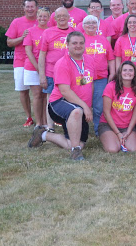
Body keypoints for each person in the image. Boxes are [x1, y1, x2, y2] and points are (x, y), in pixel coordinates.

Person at [31, 31, 93, 161]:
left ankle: (43, 135)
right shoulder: (62, 63)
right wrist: (85, 107)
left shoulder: (90, 60)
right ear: (67, 45)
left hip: (78, 106)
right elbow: (65, 91)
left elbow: (89, 83)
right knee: (77, 111)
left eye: (81, 43)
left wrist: (88, 105)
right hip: (59, 103)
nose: (78, 45)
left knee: (78, 143)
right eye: (74, 43)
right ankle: (75, 152)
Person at [37, 7, 73, 135]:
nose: (61, 18)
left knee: (69, 99)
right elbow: (42, 55)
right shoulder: (48, 32)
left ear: (69, 17)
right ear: (55, 18)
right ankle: (50, 126)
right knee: (51, 99)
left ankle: (69, 124)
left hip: (70, 73)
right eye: (59, 16)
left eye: (64, 15)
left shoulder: (75, 32)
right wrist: (42, 76)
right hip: (52, 72)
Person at [80, 15, 115, 135]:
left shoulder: (103, 39)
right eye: (88, 23)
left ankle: (97, 129)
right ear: (83, 26)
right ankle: (80, 128)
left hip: (101, 78)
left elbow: (110, 58)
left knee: (99, 106)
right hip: (83, 78)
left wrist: (113, 72)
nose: (91, 25)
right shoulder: (80, 39)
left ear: (97, 25)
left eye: (93, 23)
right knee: (82, 102)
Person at [7, 0, 38, 127]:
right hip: (20, 62)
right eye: (28, 6)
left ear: (36, 8)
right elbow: (9, 42)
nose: (30, 9)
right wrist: (22, 37)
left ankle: (44, 117)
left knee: (40, 93)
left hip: (37, 62)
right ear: (24, 8)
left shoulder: (42, 20)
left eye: (32, 6)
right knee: (23, 90)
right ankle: (29, 117)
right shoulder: (17, 22)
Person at [99, 61, 136, 153]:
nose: (128, 72)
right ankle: (113, 138)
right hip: (108, 125)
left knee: (134, 149)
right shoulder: (110, 86)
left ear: (134, 73)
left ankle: (121, 139)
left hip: (126, 126)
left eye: (131, 70)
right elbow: (106, 113)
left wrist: (129, 131)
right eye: (125, 70)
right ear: (120, 72)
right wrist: (118, 133)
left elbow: (135, 113)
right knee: (113, 149)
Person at [24, 7, 51, 134]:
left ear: (49, 18)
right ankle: (39, 122)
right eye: (40, 16)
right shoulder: (30, 31)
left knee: (46, 95)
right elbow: (28, 51)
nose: (42, 19)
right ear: (37, 17)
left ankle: (46, 122)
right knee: (37, 95)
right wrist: (38, 68)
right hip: (32, 67)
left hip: (48, 67)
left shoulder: (51, 31)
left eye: (45, 16)